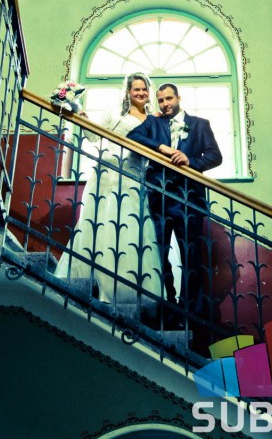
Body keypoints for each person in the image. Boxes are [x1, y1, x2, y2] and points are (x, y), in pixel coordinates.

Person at [56, 73, 162, 314]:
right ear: (128, 92)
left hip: (134, 175)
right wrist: (80, 114)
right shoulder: (114, 113)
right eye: (136, 89)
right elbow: (94, 136)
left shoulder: (153, 119)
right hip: (108, 173)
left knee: (131, 226)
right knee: (102, 222)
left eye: (144, 89)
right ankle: (99, 281)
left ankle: (126, 285)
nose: (141, 93)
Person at [127, 82, 222, 327]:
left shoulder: (200, 124)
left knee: (191, 256)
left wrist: (191, 161)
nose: (165, 104)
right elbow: (132, 136)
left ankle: (190, 313)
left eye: (169, 99)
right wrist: (160, 147)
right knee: (158, 254)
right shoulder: (153, 123)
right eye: (160, 100)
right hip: (158, 198)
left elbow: (215, 156)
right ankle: (167, 305)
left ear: (179, 98)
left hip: (189, 200)